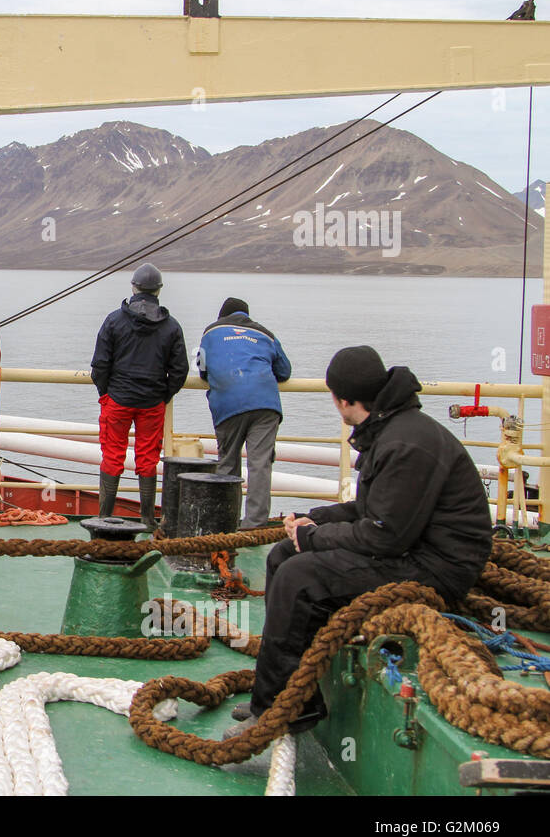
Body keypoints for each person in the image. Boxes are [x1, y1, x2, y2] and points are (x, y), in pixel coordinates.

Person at [225, 346, 492, 737]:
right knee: (282, 557)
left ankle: (284, 710)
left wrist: (314, 538)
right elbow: (369, 510)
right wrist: (312, 519)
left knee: (299, 577)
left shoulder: (404, 444)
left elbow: (384, 535)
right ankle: (286, 691)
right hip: (414, 549)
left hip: (438, 568)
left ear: (343, 400)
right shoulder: (391, 428)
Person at [90, 262, 188, 530]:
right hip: (151, 403)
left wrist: (107, 394)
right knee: (147, 458)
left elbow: (99, 365)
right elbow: (179, 370)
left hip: (118, 401)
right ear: (158, 290)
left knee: (112, 455)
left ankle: (104, 517)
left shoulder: (114, 320)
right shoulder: (171, 327)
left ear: (133, 287)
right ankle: (147, 519)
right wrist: (163, 395)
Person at [197, 297, 292, 529]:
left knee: (228, 463)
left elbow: (201, 370)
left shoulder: (211, 332)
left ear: (222, 316)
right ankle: (254, 524)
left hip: (228, 403)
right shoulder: (266, 334)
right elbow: (285, 371)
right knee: (260, 464)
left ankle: (224, 521)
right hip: (265, 404)